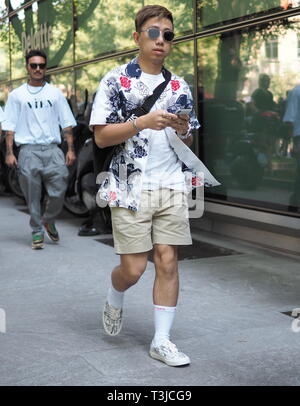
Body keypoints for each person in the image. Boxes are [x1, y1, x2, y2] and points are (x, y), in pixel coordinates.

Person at [90, 5, 219, 367]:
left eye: (168, 35)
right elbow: (101, 137)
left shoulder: (179, 85)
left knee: (168, 260)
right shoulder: (116, 81)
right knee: (132, 269)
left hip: (171, 185)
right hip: (130, 187)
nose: (161, 40)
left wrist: (182, 130)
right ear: (137, 37)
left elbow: (189, 138)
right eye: (154, 33)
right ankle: (116, 294)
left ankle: (161, 341)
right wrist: (142, 121)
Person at [3, 49, 77, 249]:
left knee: (59, 188)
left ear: (45, 67)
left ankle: (48, 219)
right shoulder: (17, 95)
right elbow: (9, 126)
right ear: (27, 67)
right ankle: (37, 230)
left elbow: (67, 123)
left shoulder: (54, 93)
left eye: (41, 65)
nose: (38, 69)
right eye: (33, 65)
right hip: (28, 151)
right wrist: (10, 153)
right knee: (32, 195)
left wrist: (70, 149)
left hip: (53, 150)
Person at [283, 84, 300, 211]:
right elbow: (289, 119)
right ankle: (294, 205)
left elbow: (290, 119)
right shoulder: (296, 91)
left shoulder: (296, 91)